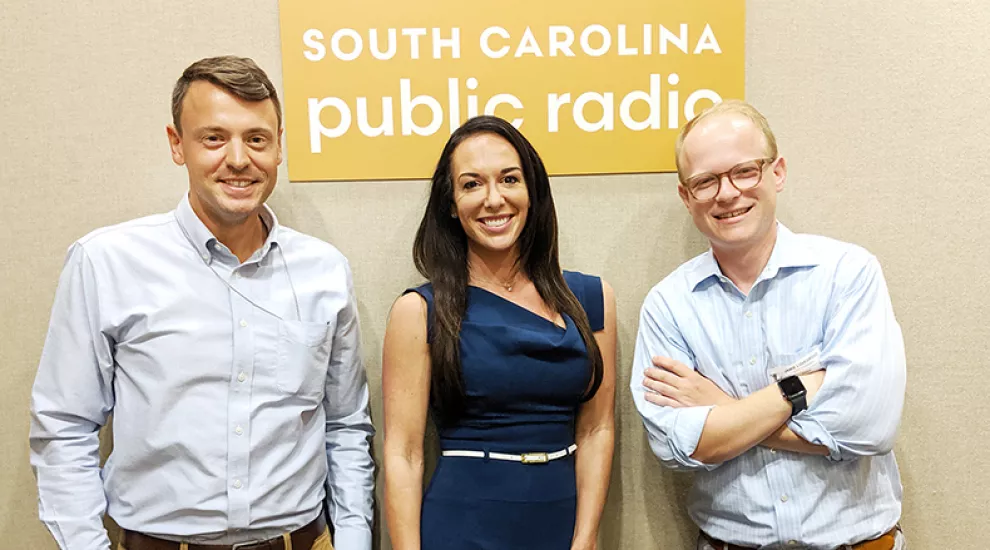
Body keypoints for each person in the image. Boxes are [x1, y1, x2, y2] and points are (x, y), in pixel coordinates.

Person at [29, 56, 375, 550]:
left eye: (257, 138)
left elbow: (344, 424)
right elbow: (64, 427)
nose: (238, 159)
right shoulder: (106, 262)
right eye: (214, 138)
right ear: (177, 144)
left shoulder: (324, 270)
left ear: (279, 147)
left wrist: (355, 540)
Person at [631, 100, 907, 549]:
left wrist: (723, 410)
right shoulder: (668, 305)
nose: (726, 193)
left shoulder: (847, 274)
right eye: (705, 181)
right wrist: (796, 391)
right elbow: (675, 447)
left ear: (776, 172)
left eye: (744, 171)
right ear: (686, 197)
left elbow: (868, 427)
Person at [382, 115, 616, 550]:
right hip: (461, 525)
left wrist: (586, 538)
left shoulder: (592, 299)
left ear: (532, 191)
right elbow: (404, 453)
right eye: (472, 184)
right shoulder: (419, 311)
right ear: (451, 203)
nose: (494, 199)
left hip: (562, 521)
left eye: (510, 179)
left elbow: (597, 429)